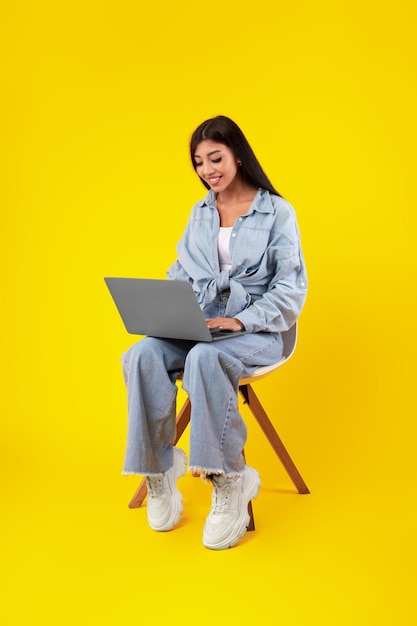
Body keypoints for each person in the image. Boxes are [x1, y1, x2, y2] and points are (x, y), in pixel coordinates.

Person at [121, 115, 307, 550]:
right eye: (199, 162)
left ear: (238, 155)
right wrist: (167, 309)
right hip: (201, 323)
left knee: (206, 358)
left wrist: (241, 320)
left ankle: (229, 479)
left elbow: (290, 288)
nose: (208, 170)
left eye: (215, 158)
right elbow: (181, 270)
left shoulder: (278, 212)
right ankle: (160, 468)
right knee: (142, 354)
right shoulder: (200, 212)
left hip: (258, 329)